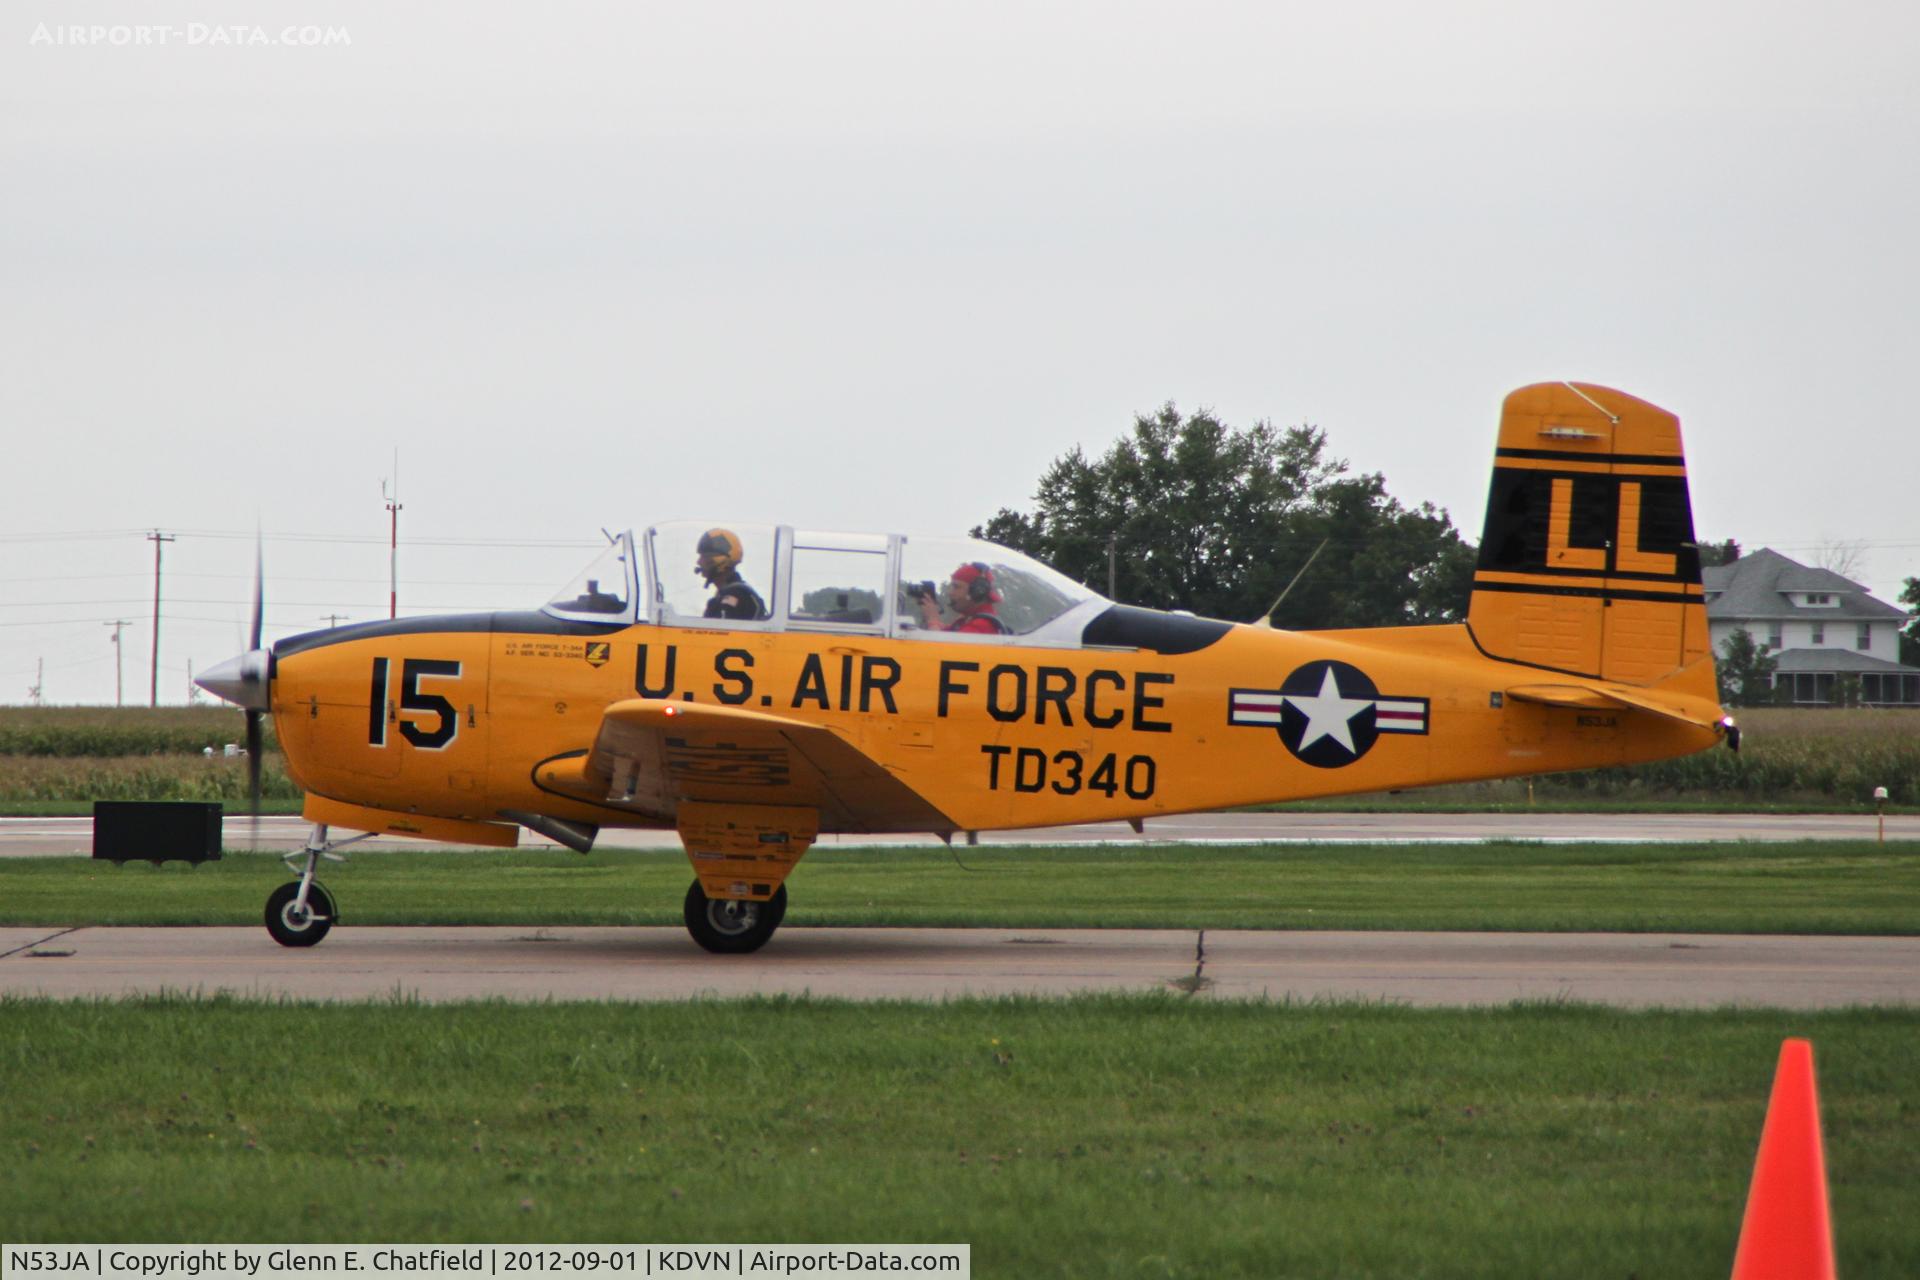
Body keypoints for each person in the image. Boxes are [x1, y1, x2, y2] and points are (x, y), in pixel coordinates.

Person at [917, 561, 1007, 634]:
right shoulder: (966, 620)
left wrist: (933, 621)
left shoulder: (982, 625)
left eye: (956, 587)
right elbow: (946, 633)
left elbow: (944, 651)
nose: (950, 593)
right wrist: (930, 619)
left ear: (977, 591)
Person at [696, 528, 766, 620]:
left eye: (705, 556)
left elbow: (721, 631)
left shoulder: (737, 596)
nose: (699, 562)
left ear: (721, 560)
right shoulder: (725, 597)